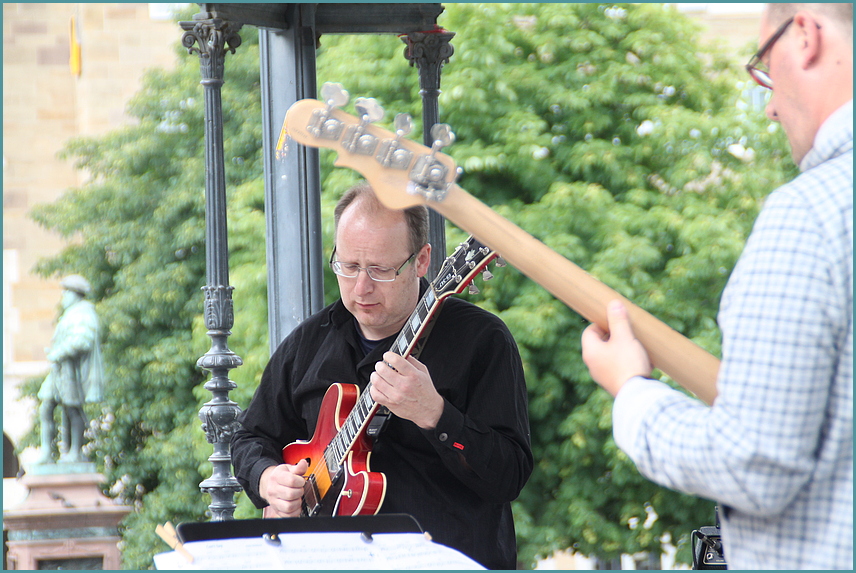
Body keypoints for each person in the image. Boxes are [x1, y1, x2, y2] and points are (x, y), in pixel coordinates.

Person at [580, 3, 852, 569]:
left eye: (763, 69)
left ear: (803, 35)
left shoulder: (809, 216)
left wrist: (632, 392)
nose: (771, 106)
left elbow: (753, 465)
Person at [231, 183, 532, 570]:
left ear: (422, 261)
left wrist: (436, 415)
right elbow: (249, 436)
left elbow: (510, 477)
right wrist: (267, 478)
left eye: (379, 270)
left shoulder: (482, 340)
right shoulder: (309, 342)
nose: (361, 287)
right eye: (349, 266)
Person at [37, 274, 104, 464]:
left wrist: (59, 352)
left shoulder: (84, 313)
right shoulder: (70, 314)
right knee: (46, 406)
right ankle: (46, 452)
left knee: (72, 408)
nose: (64, 295)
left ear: (76, 293)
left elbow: (83, 341)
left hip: (71, 370)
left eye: (67, 291)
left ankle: (75, 451)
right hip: (58, 369)